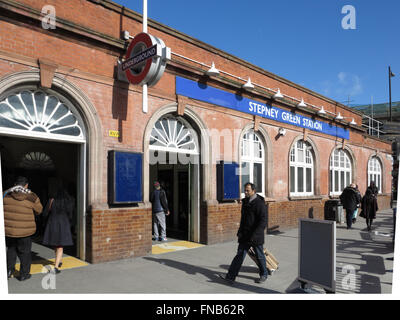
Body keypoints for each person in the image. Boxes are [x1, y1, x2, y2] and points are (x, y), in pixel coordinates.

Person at [219, 182, 268, 284]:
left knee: (259, 256)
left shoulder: (259, 203)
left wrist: (255, 235)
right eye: (245, 190)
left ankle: (264, 274)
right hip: (245, 235)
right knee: (239, 256)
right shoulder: (245, 202)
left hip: (255, 236)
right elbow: (243, 219)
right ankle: (230, 276)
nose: (245, 192)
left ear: (253, 191)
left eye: (247, 190)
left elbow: (263, 221)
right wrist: (240, 231)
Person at [3, 176, 43, 281]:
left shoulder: (5, 194)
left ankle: (9, 270)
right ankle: (24, 274)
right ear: (26, 185)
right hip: (25, 231)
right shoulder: (32, 196)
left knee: (11, 250)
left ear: (15, 184)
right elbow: (39, 210)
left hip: (9, 230)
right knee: (25, 252)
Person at [42, 187, 74, 274]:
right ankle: (56, 267)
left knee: (56, 244)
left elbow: (45, 213)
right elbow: (70, 214)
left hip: (52, 223)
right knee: (60, 245)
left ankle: (58, 262)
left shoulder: (52, 200)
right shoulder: (68, 201)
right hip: (64, 223)